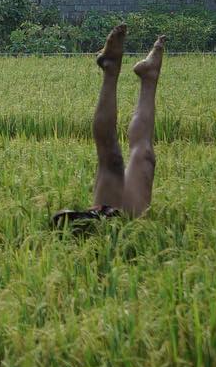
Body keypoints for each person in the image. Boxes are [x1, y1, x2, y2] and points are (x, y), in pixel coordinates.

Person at [52, 25, 166, 229]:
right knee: (145, 157)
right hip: (119, 226)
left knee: (112, 158)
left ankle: (112, 69)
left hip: (106, 223)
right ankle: (149, 77)